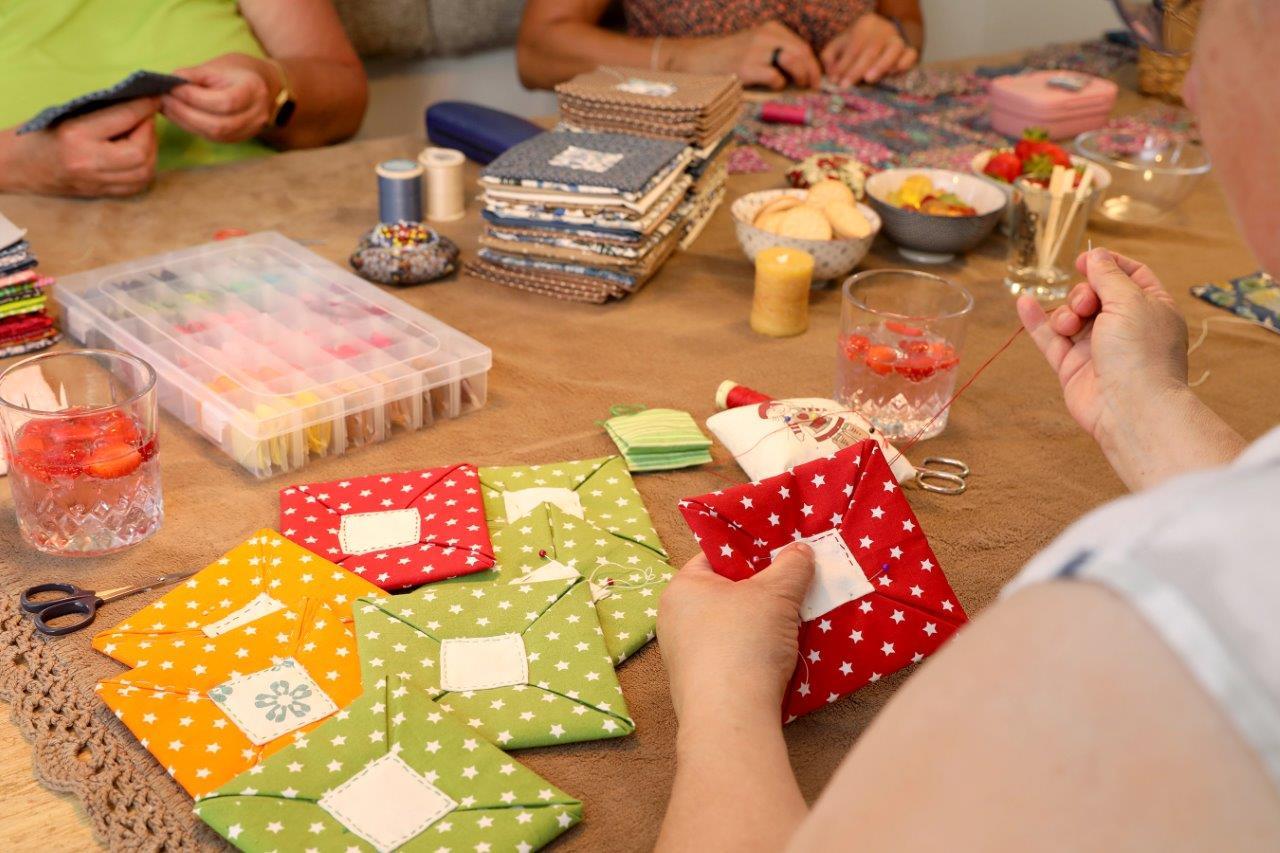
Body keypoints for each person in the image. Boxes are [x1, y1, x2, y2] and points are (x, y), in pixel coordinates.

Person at [655, 0, 1280, 849]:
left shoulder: (1140, 629)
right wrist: (1152, 412)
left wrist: (723, 692)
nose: (1193, 80)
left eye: (1214, 19)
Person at [0, 0, 367, 198]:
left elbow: (347, 100)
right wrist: (17, 165)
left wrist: (271, 90)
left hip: (252, 224)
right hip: (33, 260)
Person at [516, 0, 923, 91]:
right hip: (678, 162)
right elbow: (537, 51)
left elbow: (910, 24)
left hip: (854, 161)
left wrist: (888, 37)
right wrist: (684, 59)